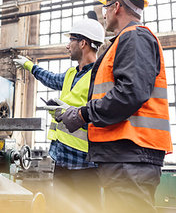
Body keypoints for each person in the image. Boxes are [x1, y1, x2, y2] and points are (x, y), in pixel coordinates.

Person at [56, 0, 173, 213]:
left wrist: (82, 114)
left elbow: (130, 93)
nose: (105, 13)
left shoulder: (135, 37)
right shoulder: (124, 41)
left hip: (131, 154)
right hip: (124, 155)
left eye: (106, 7)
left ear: (116, 6)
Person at [13, 16, 105, 213]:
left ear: (83, 43)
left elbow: (104, 115)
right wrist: (29, 66)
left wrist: (70, 114)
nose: (67, 46)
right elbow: (51, 78)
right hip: (62, 159)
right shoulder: (71, 74)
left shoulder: (100, 76)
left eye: (70, 39)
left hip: (86, 164)